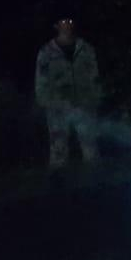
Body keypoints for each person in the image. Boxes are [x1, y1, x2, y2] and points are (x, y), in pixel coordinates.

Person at [35, 18, 101, 168]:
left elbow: (94, 77)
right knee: (58, 151)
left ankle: (95, 180)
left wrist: (94, 100)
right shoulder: (47, 52)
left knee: (90, 149)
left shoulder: (85, 49)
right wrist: (47, 103)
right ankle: (59, 181)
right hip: (57, 108)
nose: (67, 25)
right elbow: (41, 81)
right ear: (56, 25)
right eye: (63, 21)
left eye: (70, 21)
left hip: (84, 106)